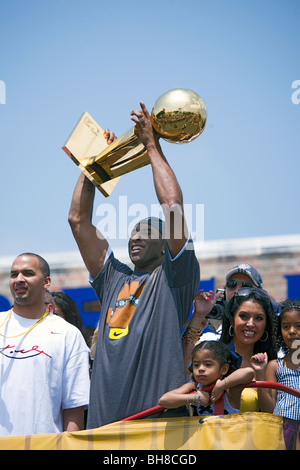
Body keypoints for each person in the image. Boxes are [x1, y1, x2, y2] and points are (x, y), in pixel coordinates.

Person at [68, 101, 200, 427]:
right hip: (103, 429)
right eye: (132, 233)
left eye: (146, 232)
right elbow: (77, 220)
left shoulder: (174, 279)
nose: (136, 238)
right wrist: (95, 165)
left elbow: (171, 205)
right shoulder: (113, 277)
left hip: (157, 429)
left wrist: (151, 146)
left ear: (165, 242)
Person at [0, 253, 90, 436]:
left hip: (45, 444)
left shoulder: (68, 334)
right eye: (14, 274)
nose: (19, 279)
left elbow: (74, 407)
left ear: (46, 282)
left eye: (28, 273)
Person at [182, 263, 263, 374]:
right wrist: (198, 316)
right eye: (232, 284)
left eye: (246, 286)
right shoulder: (210, 340)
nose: (237, 290)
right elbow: (186, 369)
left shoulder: (276, 347)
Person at [159, 340, 254, 416]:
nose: (200, 369)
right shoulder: (193, 387)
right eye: (196, 365)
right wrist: (195, 398)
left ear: (224, 369)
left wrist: (221, 385)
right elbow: (164, 400)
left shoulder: (230, 391)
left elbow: (249, 372)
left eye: (208, 364)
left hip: (226, 439)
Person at [219, 287, 277, 412]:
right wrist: (198, 317)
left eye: (259, 318)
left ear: (266, 325)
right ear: (232, 320)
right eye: (244, 316)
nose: (251, 324)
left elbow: (271, 414)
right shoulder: (212, 354)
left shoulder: (272, 365)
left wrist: (260, 373)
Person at [252, 299, 300, 420]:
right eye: (286, 327)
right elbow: (269, 410)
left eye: (298, 326)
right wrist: (259, 374)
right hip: (284, 432)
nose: (292, 331)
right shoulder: (275, 366)